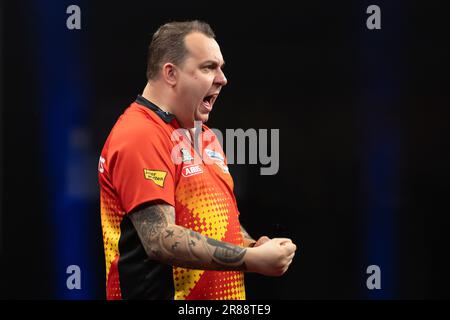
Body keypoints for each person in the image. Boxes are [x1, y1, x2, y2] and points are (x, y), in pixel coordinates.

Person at [98, 20, 297, 300]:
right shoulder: (139, 133)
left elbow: (213, 221)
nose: (223, 78)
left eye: (221, 67)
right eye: (208, 67)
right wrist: (249, 259)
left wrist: (251, 246)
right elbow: (159, 239)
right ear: (171, 73)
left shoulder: (203, 135)